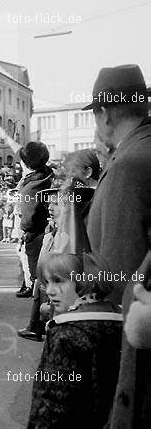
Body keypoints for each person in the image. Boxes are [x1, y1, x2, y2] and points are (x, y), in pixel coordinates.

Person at [81, 64, 151, 429]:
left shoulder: (130, 165)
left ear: (104, 113)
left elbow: (121, 274)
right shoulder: (141, 151)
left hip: (133, 348)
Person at [28, 253, 122, 428]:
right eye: (46, 282)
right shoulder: (121, 323)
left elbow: (53, 403)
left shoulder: (64, 335)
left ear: (84, 282)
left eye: (58, 281)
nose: (49, 290)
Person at [0, 125, 53, 299]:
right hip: (45, 232)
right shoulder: (45, 172)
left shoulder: (30, 188)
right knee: (29, 264)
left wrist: (22, 231)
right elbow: (20, 150)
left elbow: (29, 217)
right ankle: (28, 285)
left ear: (26, 164)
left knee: (34, 270)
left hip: (34, 234)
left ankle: (37, 301)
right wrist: (5, 136)